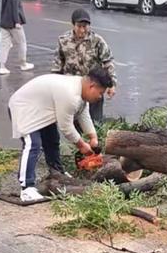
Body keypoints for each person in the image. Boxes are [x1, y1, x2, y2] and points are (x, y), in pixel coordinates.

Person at [9, 67, 114, 202]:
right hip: (24, 108)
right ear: (91, 86)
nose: (100, 97)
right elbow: (66, 127)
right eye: (100, 93)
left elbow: (83, 114)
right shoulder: (70, 94)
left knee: (52, 140)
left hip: (41, 110)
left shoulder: (80, 90)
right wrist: (82, 146)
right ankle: (26, 187)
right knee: (33, 144)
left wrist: (93, 137)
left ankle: (57, 173)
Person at [51, 8, 117, 123]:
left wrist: (112, 84)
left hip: (94, 88)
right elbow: (57, 65)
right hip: (73, 91)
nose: (82, 30)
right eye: (79, 26)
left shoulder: (97, 41)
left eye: (85, 26)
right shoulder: (63, 41)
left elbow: (108, 62)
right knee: (75, 124)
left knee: (95, 123)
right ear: (73, 25)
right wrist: (54, 87)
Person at [0, 0, 34, 75]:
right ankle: (23, 64)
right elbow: (15, 10)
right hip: (14, 24)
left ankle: (2, 66)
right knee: (22, 43)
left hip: (4, 24)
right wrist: (17, 22)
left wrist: (2, 22)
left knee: (4, 45)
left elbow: (3, 10)